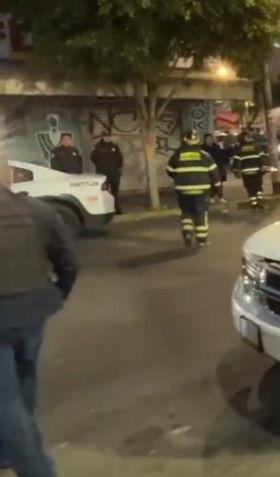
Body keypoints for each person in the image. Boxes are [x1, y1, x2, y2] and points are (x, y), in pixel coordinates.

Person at [0, 154, 78, 477]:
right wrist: (58, 293)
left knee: (5, 401)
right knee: (25, 375)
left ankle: (35, 467)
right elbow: (68, 261)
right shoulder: (37, 210)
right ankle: (10, 449)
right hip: (34, 310)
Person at [167, 131, 221, 247]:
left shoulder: (177, 155)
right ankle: (201, 240)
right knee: (201, 213)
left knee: (186, 211)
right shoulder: (204, 155)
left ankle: (187, 234)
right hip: (201, 189)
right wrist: (218, 189)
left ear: (185, 140)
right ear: (197, 141)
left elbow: (170, 171)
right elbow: (214, 173)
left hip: (183, 189)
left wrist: (181, 177)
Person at [231, 129, 269, 210]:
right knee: (258, 187)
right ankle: (260, 201)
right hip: (257, 172)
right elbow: (263, 158)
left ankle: (254, 204)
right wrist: (265, 167)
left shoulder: (240, 149)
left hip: (246, 173)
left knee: (250, 189)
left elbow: (236, 161)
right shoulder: (256, 147)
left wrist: (235, 171)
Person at [90, 132, 124, 213]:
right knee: (104, 192)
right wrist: (101, 165)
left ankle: (116, 208)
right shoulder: (97, 146)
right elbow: (93, 158)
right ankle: (106, 209)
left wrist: (119, 168)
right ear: (102, 137)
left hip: (114, 173)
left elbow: (120, 158)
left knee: (115, 192)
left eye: (109, 137)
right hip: (103, 173)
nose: (108, 138)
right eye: (106, 137)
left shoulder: (114, 146)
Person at [202, 133, 228, 202]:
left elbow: (222, 156)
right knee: (210, 183)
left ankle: (220, 196)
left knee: (218, 183)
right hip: (207, 168)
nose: (209, 140)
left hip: (217, 167)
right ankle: (211, 196)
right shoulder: (203, 149)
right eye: (208, 139)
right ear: (205, 140)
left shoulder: (217, 147)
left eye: (211, 139)